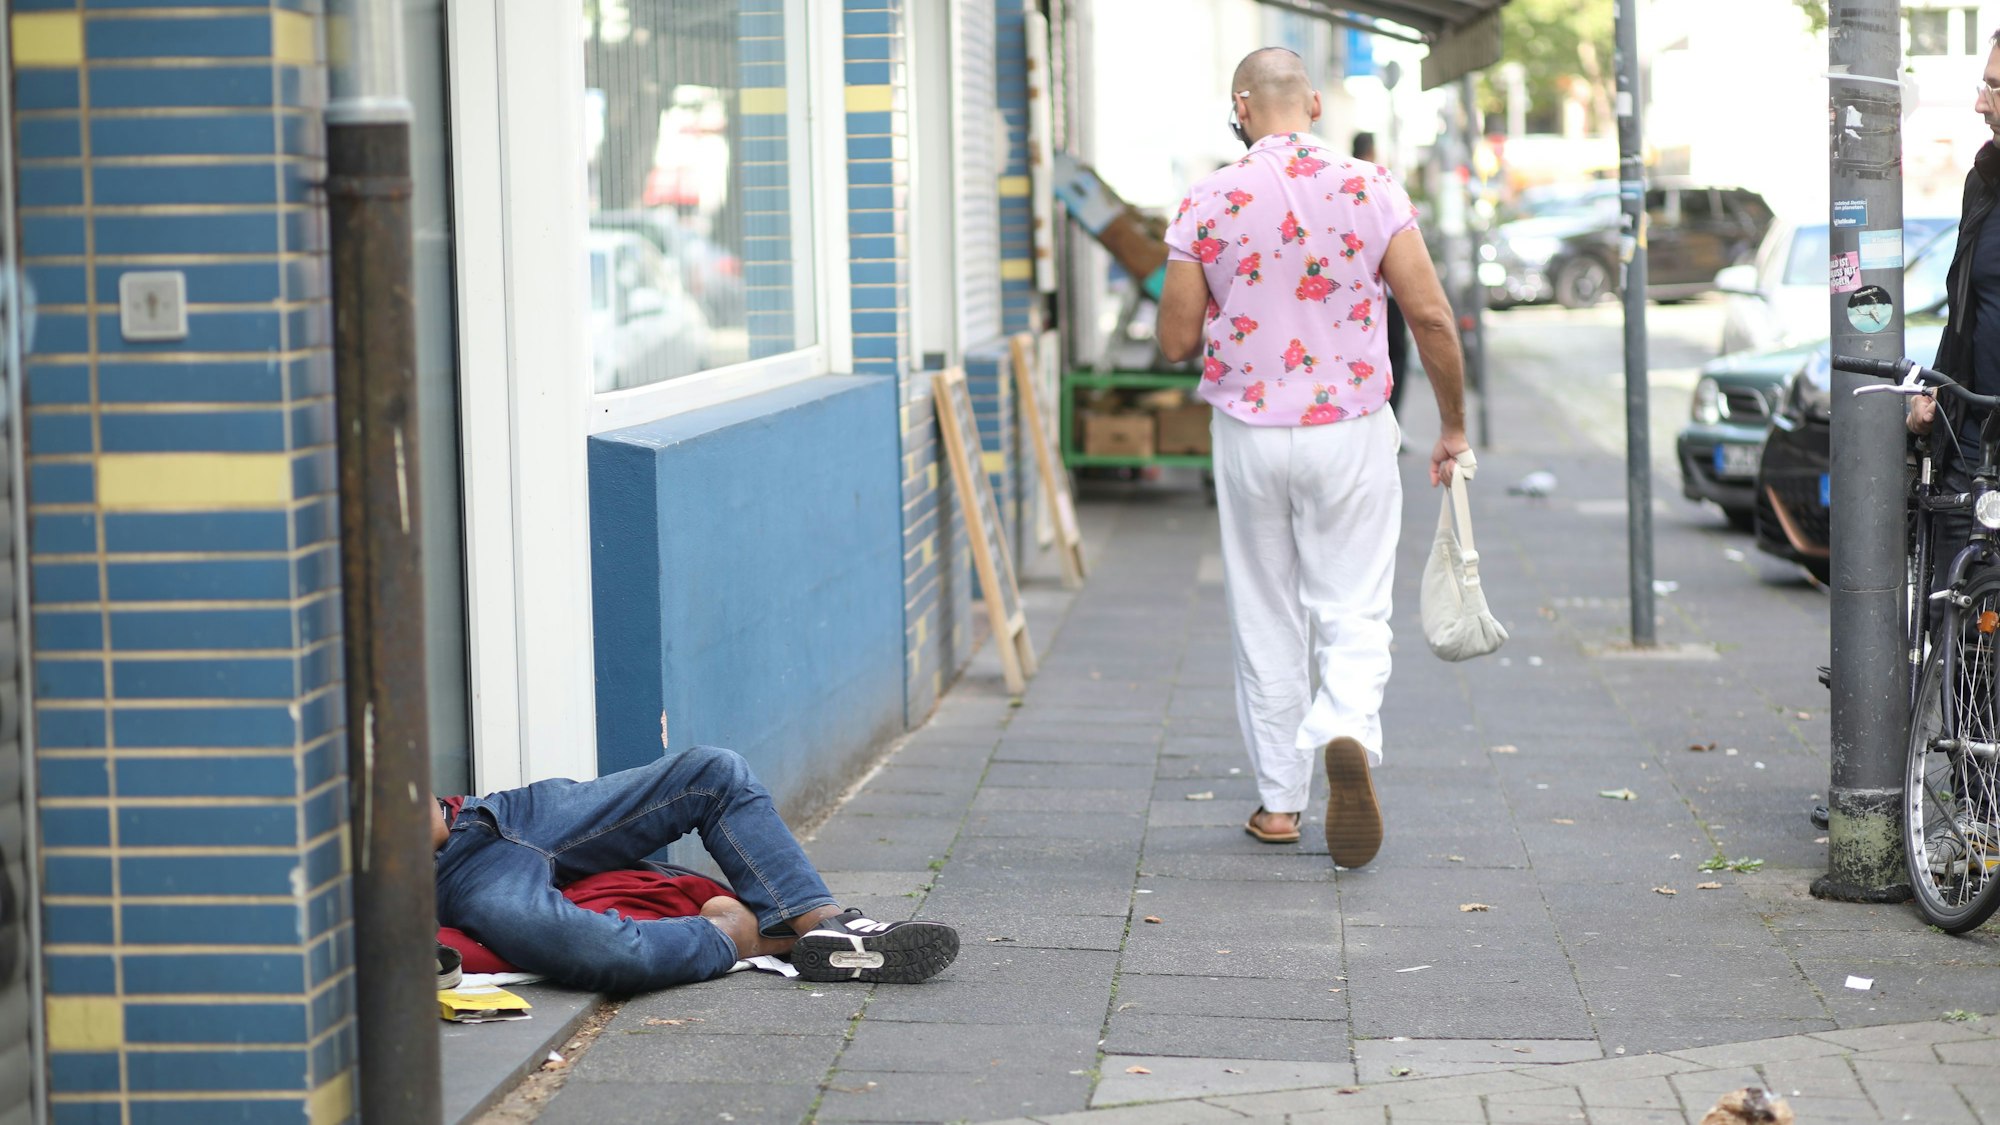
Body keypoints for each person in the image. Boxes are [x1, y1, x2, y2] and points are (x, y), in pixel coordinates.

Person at [1156, 47, 1470, 866]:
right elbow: (1431, 318)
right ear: (1317, 106)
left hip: (1248, 431)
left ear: (1241, 108)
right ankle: (1345, 727)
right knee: (1354, 601)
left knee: (1265, 610)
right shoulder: (1371, 187)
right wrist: (1453, 426)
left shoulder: (1207, 199)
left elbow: (1175, 338)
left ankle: (1279, 804)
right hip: (1352, 425)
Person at [431, 746, 960, 992]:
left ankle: (823, 925)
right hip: (457, 875)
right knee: (604, 953)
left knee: (713, 772)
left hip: (490, 814)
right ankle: (745, 937)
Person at [1351, 131, 1409, 421]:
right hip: (1383, 292)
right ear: (1372, 151)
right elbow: (1432, 317)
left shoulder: (1340, 184)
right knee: (1396, 355)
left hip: (1353, 295)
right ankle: (1389, 416)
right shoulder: (1379, 184)